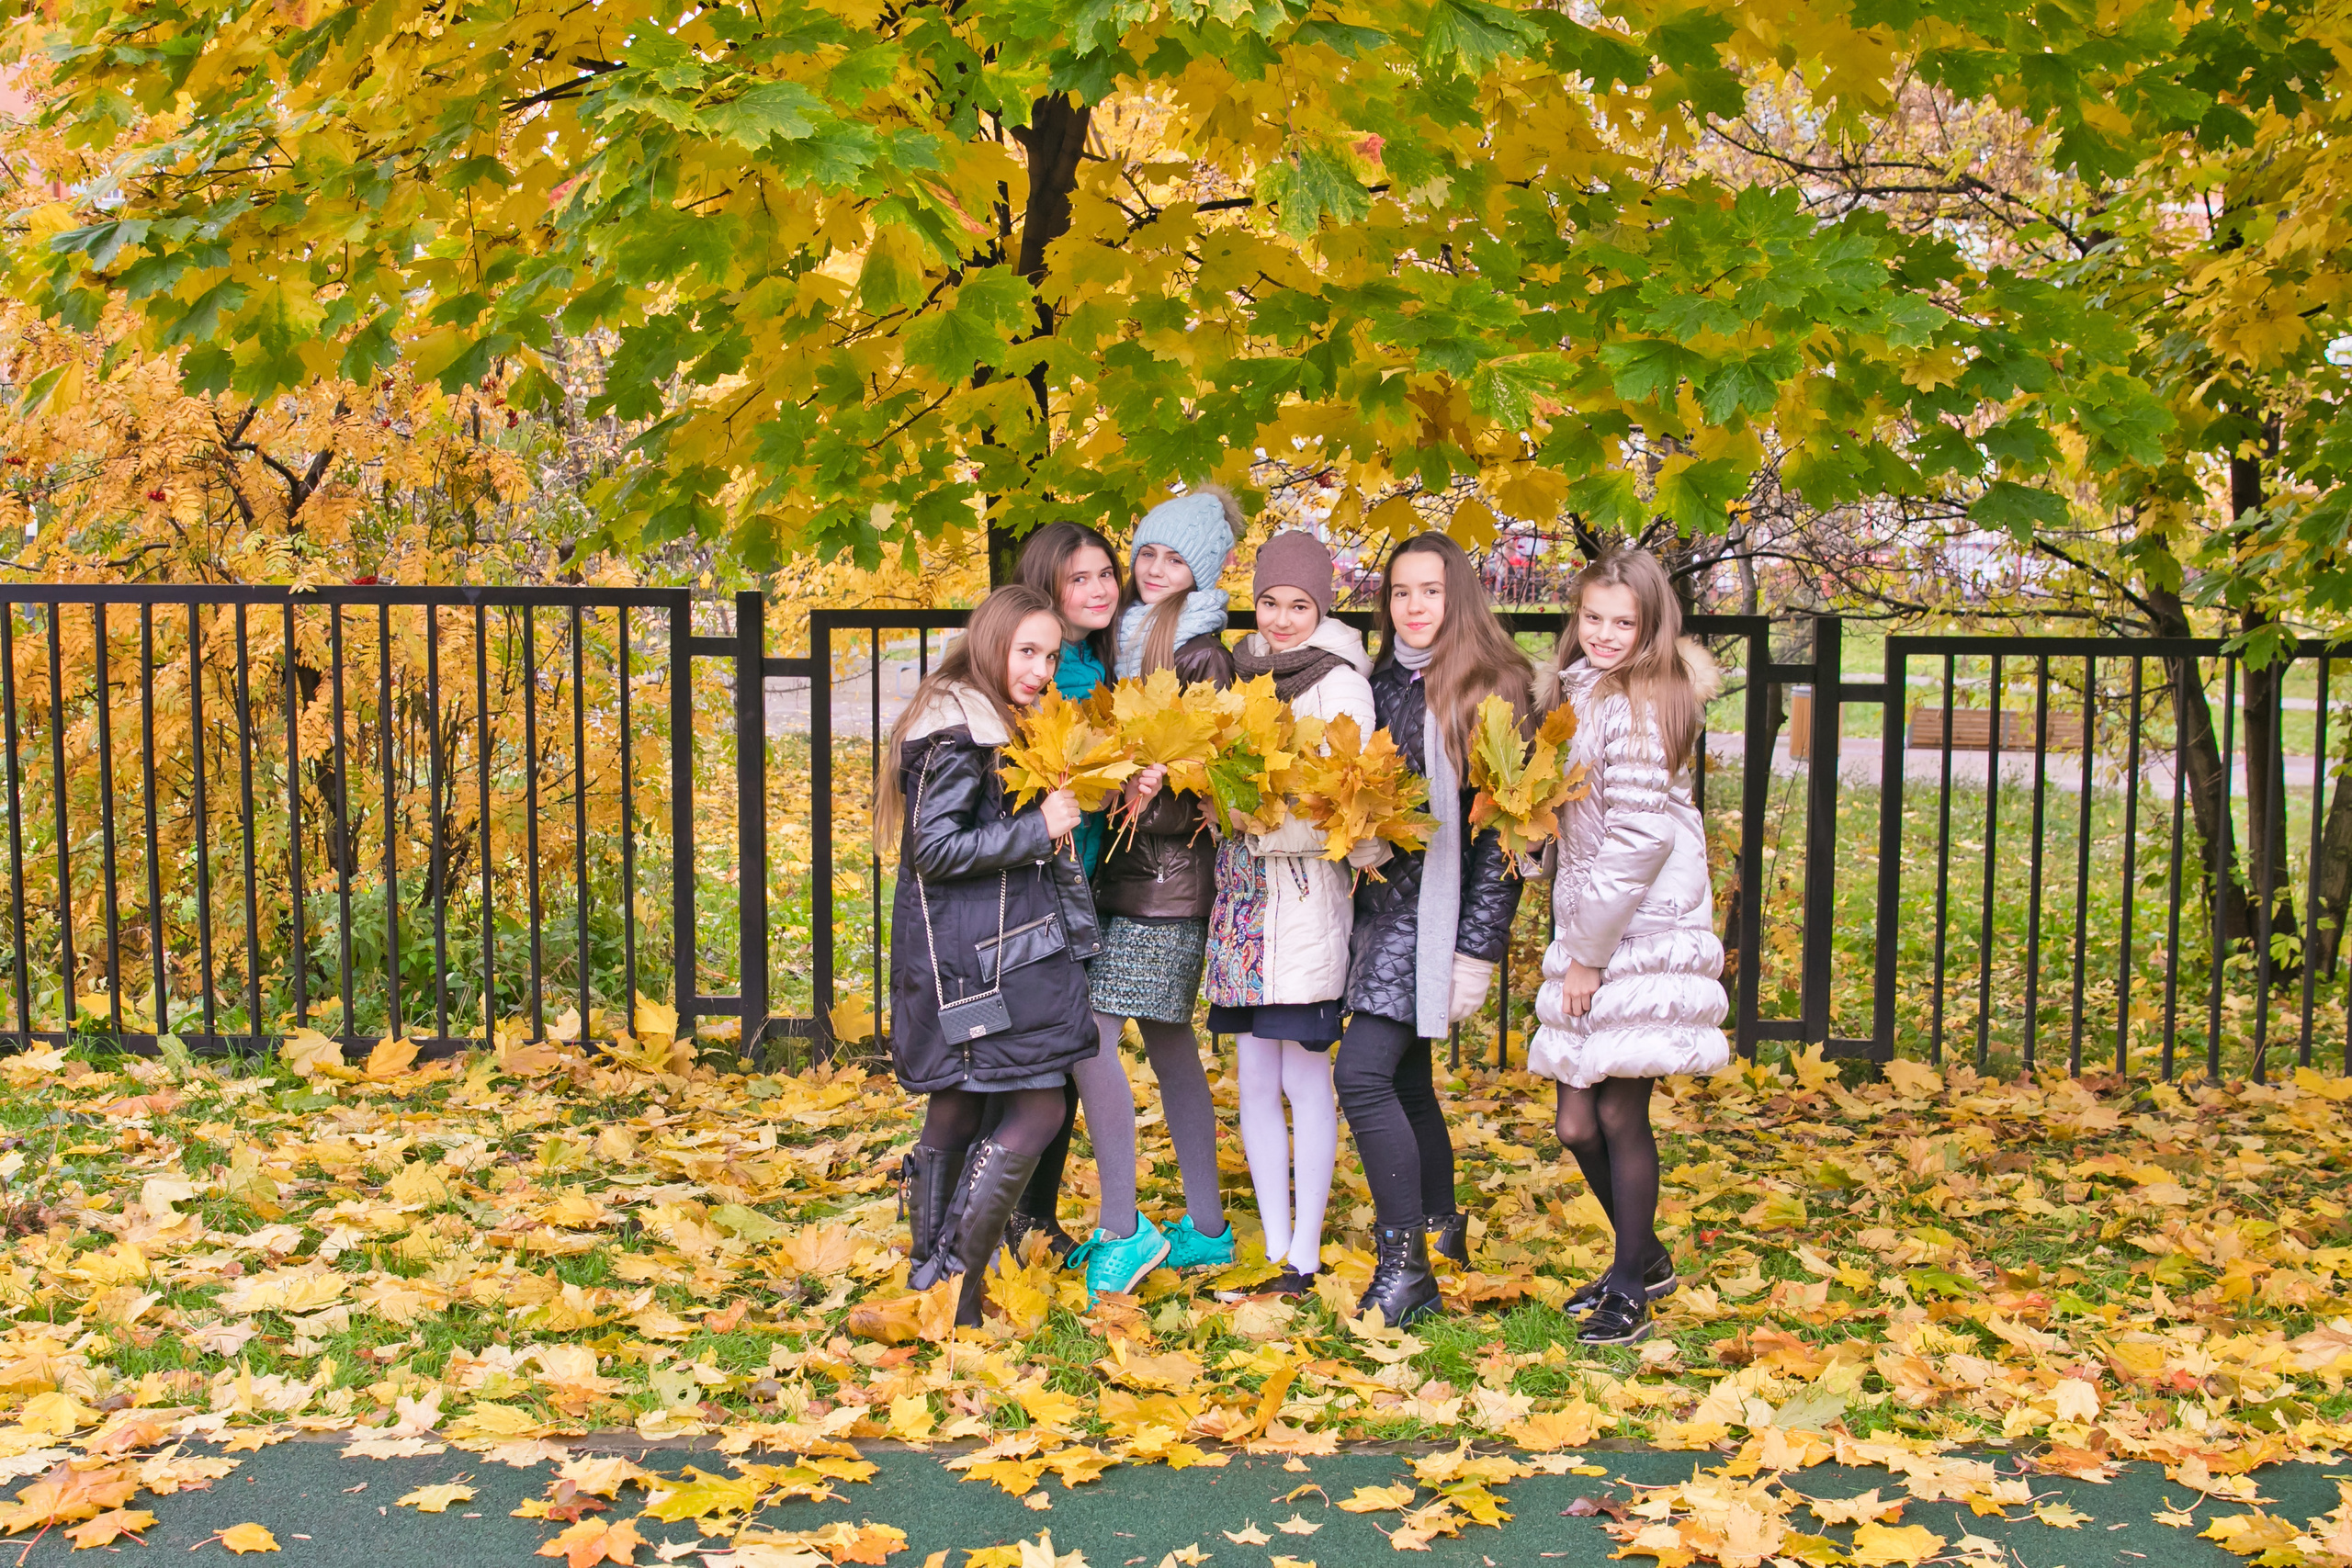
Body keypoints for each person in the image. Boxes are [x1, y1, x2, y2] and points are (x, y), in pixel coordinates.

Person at [879, 586, 1101, 1328]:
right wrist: (1039, 826)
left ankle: (933, 1274)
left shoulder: (994, 720)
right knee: (1035, 1103)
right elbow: (935, 850)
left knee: (961, 1101)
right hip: (974, 958)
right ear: (990, 643)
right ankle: (955, 1279)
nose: (1040, 669)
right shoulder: (960, 730)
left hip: (979, 952)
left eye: (1050, 654)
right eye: (1026, 651)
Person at [1527, 547, 1728, 1347]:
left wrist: (1586, 954)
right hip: (1596, 925)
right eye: (1594, 617)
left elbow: (1640, 839)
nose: (1606, 633)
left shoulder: (1643, 703)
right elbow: (1584, 815)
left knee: (1614, 1107)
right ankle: (1642, 1259)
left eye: (1625, 621)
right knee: (1575, 1120)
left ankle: (1630, 1286)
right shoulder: (1582, 693)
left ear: (1651, 627)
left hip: (1637, 930)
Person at [1336, 533, 1532, 1327]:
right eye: (1401, 592)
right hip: (1379, 904)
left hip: (1435, 914)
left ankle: (1405, 1265)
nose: (1414, 607)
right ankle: (1442, 1229)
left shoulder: (1496, 688)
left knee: (1363, 1076)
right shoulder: (1376, 683)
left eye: (1431, 591)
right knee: (1408, 1080)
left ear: (1461, 597)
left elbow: (1506, 838)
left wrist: (1476, 949)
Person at [1065, 487, 1240, 1301]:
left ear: (1200, 570)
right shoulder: (1129, 639)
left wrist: (1136, 791)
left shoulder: (1200, 652)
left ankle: (1122, 1228)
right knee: (1170, 1049)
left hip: (1166, 881)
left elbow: (1207, 780)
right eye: (1148, 554)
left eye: (1174, 558)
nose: (1154, 569)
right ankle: (1206, 1231)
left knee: (1093, 1036)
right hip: (1128, 876)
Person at [1204, 533, 1378, 1299]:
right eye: (1269, 601)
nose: (1280, 618)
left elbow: (1348, 807)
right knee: (1251, 1075)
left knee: (1307, 1077)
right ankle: (1273, 1242)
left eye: (1298, 605)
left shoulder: (1340, 686)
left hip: (1304, 905)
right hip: (1244, 910)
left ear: (1323, 607)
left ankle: (1305, 1248)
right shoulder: (1237, 673)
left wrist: (1255, 820)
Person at [999, 521, 1125, 1261]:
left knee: (1058, 1054)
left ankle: (1029, 1215)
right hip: (1047, 887)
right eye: (1078, 578)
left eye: (1105, 572)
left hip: (1072, 882)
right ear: (1048, 587)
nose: (1098, 588)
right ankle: (1019, 1214)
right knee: (1047, 1055)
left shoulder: (1089, 665)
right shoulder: (1065, 677)